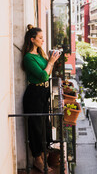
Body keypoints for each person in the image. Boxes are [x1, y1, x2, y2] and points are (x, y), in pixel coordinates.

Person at [22, 24, 60, 173]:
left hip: (43, 93)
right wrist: (50, 63)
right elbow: (43, 75)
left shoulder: (40, 55)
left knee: (45, 126)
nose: (43, 40)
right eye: (40, 38)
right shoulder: (28, 58)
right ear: (32, 40)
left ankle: (44, 156)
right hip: (34, 95)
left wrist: (50, 62)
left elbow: (47, 74)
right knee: (36, 128)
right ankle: (37, 160)